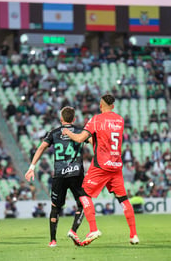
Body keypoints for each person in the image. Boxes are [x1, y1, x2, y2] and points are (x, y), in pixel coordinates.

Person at [62, 94, 139, 246]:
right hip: (116, 166)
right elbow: (103, 139)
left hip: (101, 165)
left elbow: (78, 139)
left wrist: (68, 133)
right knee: (123, 199)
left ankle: (93, 229)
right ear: (113, 106)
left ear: (100, 105)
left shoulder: (96, 120)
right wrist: (91, 139)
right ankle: (134, 235)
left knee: (83, 194)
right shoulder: (120, 120)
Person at [25, 106, 87, 247]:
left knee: (55, 207)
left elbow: (41, 148)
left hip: (59, 175)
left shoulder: (54, 132)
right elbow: (93, 144)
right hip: (76, 173)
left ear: (61, 119)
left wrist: (32, 167)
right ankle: (73, 230)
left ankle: (53, 240)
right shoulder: (80, 131)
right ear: (74, 119)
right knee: (83, 204)